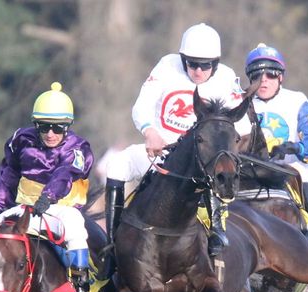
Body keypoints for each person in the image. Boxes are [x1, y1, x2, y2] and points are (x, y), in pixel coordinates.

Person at [105, 23, 250, 256]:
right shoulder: (167, 66)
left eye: (205, 65)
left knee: (215, 167)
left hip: (200, 160)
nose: (198, 71)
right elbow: (141, 106)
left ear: (216, 63)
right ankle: (111, 245)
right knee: (117, 166)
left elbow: (242, 126)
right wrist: (150, 132)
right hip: (160, 153)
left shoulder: (226, 78)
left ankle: (216, 228)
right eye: (192, 63)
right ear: (183, 59)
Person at [0, 82, 95, 292]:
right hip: (24, 207)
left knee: (76, 228)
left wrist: (48, 198)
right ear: (36, 125)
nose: (50, 133)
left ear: (68, 126)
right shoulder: (20, 140)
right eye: (44, 127)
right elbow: (9, 174)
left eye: (57, 127)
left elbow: (64, 174)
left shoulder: (78, 148)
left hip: (61, 208)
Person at [244, 43, 308, 222]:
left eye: (271, 74)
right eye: (257, 74)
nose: (264, 79)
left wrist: (295, 148)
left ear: (280, 77)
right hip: (247, 181)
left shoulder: (296, 101)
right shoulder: (240, 102)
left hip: (290, 180)